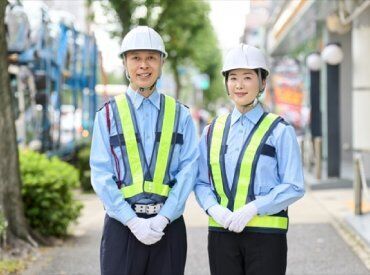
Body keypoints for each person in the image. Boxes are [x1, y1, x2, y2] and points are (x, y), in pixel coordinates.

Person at [90, 26, 198, 275]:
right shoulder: (107, 115)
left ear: (162, 62)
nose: (143, 65)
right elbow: (101, 173)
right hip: (122, 227)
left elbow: (189, 169)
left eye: (151, 57)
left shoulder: (180, 114)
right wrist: (131, 220)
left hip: (168, 227)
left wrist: (165, 217)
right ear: (125, 64)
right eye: (136, 58)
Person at [194, 43, 305, 275]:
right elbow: (201, 182)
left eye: (247, 77)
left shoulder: (279, 130)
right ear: (226, 83)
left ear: (262, 82)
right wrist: (215, 209)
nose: (239, 85)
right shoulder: (212, 130)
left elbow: (294, 185)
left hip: (266, 237)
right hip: (221, 235)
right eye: (233, 78)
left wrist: (255, 207)